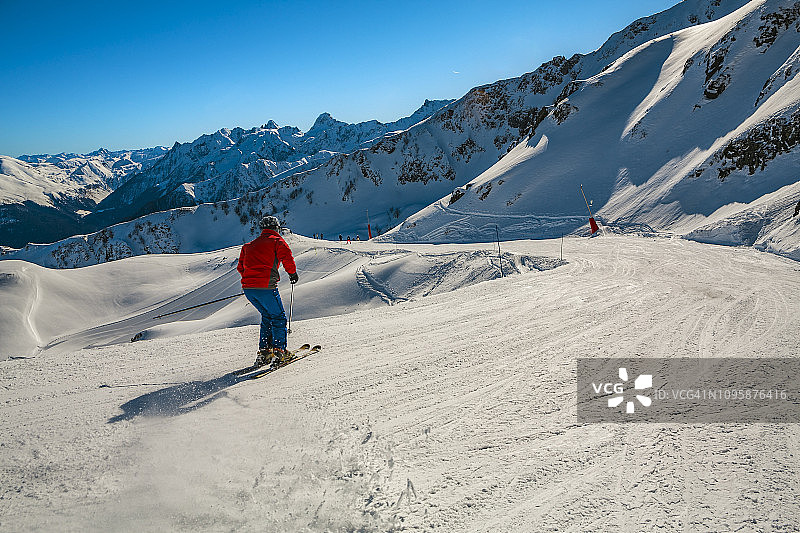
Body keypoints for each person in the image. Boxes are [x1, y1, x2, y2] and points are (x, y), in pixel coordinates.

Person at [237, 215, 299, 368]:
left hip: (248, 289)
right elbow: (287, 258)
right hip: (266, 287)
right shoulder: (277, 241)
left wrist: (251, 279)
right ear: (277, 228)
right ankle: (280, 352)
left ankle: (264, 353)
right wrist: (293, 274)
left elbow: (240, 268)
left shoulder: (248, 246)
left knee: (267, 316)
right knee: (278, 318)